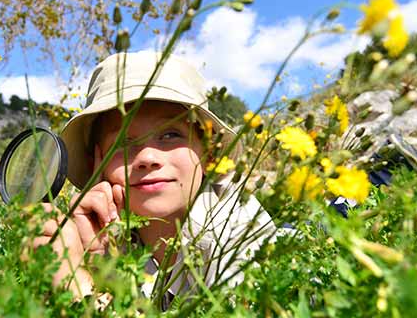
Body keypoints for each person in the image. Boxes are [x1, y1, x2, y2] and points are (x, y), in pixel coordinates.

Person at [33, 52, 276, 309]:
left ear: (209, 154)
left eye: (171, 135)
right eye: (122, 142)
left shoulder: (238, 228)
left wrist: (77, 287)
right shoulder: (104, 234)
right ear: (97, 163)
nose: (147, 157)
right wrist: (91, 265)